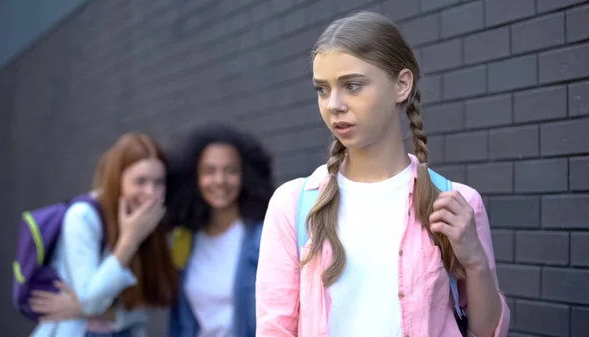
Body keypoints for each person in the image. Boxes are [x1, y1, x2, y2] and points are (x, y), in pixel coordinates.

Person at [255, 11, 510, 337]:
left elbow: (489, 331)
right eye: (322, 89)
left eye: (352, 86)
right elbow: (274, 329)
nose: (333, 104)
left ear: (402, 85)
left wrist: (475, 261)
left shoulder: (454, 202)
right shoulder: (293, 204)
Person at [28, 133, 178, 337]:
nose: (151, 193)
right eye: (140, 181)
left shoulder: (149, 224)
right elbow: (91, 301)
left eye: (158, 182)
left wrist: (105, 315)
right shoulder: (83, 217)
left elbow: (143, 309)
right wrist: (129, 241)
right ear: (118, 180)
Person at [166, 122, 274, 337]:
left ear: (245, 176)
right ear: (194, 177)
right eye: (209, 171)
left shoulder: (263, 238)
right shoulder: (185, 240)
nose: (220, 180)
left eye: (230, 170)